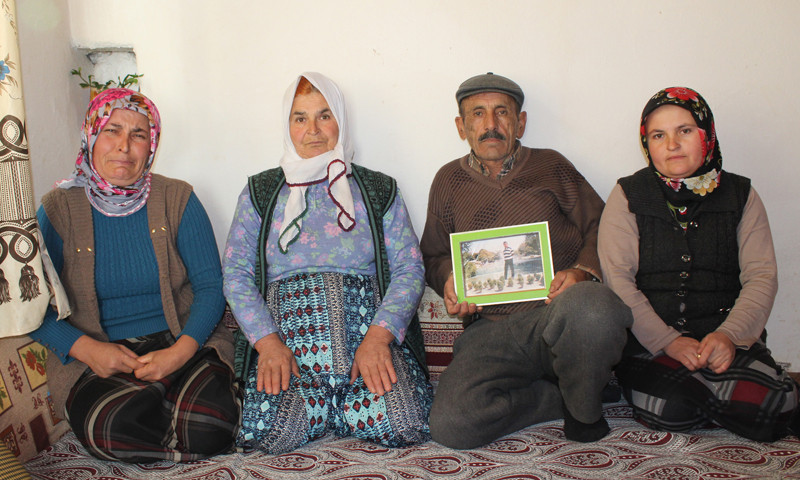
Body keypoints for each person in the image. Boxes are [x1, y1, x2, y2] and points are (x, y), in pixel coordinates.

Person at [420, 72, 632, 448]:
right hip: (489, 329)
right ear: (461, 127)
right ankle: (560, 395)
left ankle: (583, 414)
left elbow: (603, 223)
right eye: (477, 115)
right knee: (452, 425)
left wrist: (582, 273)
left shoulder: (552, 165)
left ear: (520, 122)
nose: (490, 125)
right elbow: (433, 253)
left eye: (502, 113)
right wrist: (449, 279)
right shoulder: (447, 181)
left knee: (595, 308)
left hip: (556, 315)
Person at [223, 72, 431, 453]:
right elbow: (236, 274)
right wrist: (268, 345)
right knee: (266, 433)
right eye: (300, 118)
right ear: (288, 126)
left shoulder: (378, 188)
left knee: (407, 424)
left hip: (365, 351)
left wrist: (378, 337)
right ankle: (326, 414)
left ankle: (339, 412)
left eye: (324, 115)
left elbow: (409, 268)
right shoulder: (261, 191)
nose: (313, 130)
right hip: (290, 355)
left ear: (341, 121)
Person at [31, 88, 239, 463]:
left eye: (138, 134)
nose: (124, 146)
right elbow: (29, 304)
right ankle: (178, 440)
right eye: (112, 130)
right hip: (102, 358)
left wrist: (179, 352)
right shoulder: (58, 209)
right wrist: (87, 349)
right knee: (109, 426)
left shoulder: (178, 199)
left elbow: (210, 287)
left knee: (213, 424)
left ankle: (177, 433)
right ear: (91, 136)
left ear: (152, 145)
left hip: (180, 343)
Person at [598, 86, 799, 441]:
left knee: (779, 403)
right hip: (652, 345)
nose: (672, 144)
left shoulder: (742, 195)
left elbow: (762, 277)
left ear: (707, 134)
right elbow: (618, 280)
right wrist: (669, 341)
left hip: (725, 341)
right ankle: (724, 402)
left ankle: (727, 395)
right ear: (647, 142)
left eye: (685, 131)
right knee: (671, 410)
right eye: (659, 135)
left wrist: (728, 336)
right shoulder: (628, 194)